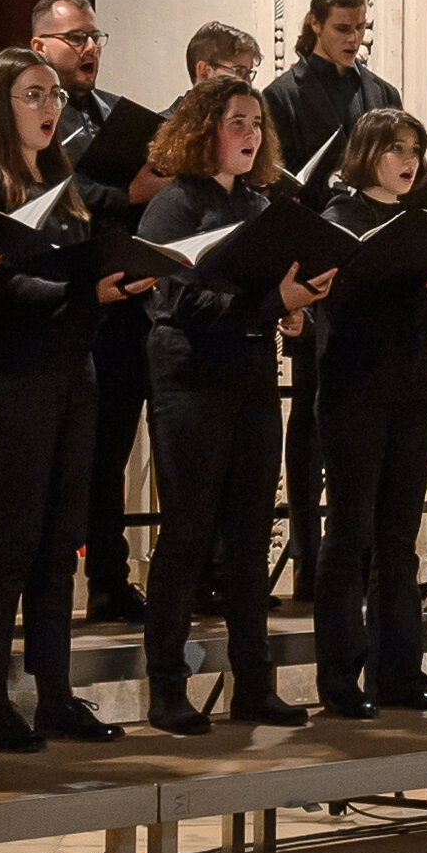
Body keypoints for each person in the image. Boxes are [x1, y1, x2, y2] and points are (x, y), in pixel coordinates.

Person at [0, 43, 148, 745]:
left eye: (53, 97)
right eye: (32, 95)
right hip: (12, 376)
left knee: (60, 542)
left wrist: (112, 282)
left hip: (76, 371)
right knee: (10, 540)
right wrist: (82, 291)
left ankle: (56, 694)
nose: (48, 108)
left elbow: (79, 269)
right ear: (0, 103)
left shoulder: (63, 177)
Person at [137, 73, 329, 732]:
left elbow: (266, 296)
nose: (249, 135)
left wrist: (294, 316)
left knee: (251, 539)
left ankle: (255, 682)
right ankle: (166, 686)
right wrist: (273, 305)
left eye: (255, 124)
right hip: (189, 379)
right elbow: (173, 301)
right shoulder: (174, 206)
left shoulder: (257, 206)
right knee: (188, 532)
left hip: (249, 379)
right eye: (236, 122)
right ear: (204, 131)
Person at [310, 110, 427, 715]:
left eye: (417, 150)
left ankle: (397, 673)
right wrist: (420, 295)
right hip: (355, 390)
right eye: (397, 148)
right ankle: (339, 680)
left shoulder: (417, 223)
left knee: (400, 539)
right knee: (350, 535)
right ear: (366, 153)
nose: (410, 160)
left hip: (410, 389)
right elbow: (344, 316)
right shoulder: (339, 222)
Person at [30, 0, 170, 626]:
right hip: (61, 301)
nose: (88, 49)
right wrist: (125, 193)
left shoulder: (117, 115)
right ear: (40, 48)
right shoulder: (34, 117)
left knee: (113, 449)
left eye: (95, 37)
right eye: (74, 39)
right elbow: (50, 190)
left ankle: (110, 579)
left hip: (126, 306)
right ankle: (54, 591)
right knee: (67, 458)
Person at [264, 0, 401, 582]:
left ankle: (367, 543)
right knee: (314, 407)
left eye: (360, 28)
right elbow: (274, 185)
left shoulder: (380, 92)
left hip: (372, 267)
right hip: (316, 263)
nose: (354, 39)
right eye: (343, 28)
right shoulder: (282, 94)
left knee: (370, 404)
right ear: (315, 23)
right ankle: (306, 546)